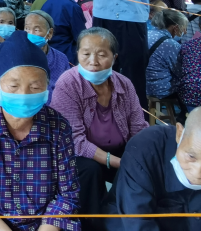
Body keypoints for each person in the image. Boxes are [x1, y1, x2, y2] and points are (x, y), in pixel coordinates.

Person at [0, 31, 80, 231]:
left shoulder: (58, 127)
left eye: (35, 87)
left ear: (47, 87)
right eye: (13, 86)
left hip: (44, 225)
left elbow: (67, 195)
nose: (23, 95)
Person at [50, 27, 148, 225]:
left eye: (102, 55)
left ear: (114, 57)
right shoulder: (68, 84)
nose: (93, 61)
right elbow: (74, 140)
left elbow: (138, 127)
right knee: (90, 170)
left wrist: (136, 158)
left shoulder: (124, 84)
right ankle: (93, 224)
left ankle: (130, 220)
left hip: (117, 149)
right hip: (77, 154)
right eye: (86, 54)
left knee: (143, 168)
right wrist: (119, 162)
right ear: (77, 54)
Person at [22, 10, 70, 101]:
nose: (30, 34)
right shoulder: (16, 56)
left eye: (36, 30)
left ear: (49, 33)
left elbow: (68, 89)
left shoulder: (61, 59)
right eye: (27, 29)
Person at [42, 0, 87, 64]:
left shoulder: (48, 2)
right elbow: (80, 36)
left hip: (48, 52)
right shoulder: (72, 7)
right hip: (67, 55)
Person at [146, 8, 188, 101]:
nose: (185, 32)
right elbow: (180, 71)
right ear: (175, 28)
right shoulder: (171, 44)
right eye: (183, 28)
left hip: (139, 85)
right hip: (159, 90)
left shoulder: (146, 34)